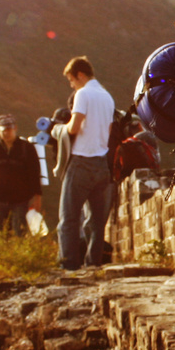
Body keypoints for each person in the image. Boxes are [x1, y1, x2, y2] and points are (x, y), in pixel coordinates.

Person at [57, 57, 115, 271]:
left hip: (81, 160)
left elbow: (74, 127)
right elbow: (108, 131)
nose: (72, 85)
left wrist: (59, 130)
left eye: (72, 81)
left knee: (69, 217)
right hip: (101, 163)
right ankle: (94, 262)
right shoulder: (107, 97)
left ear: (80, 75)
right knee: (97, 220)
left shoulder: (82, 94)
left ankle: (69, 264)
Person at [0, 113, 42, 234]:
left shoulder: (26, 148)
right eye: (3, 130)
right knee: (2, 234)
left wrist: (37, 198)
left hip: (21, 200)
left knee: (20, 233)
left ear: (15, 128)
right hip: (1, 200)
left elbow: (35, 173)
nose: (6, 133)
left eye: (9, 129)